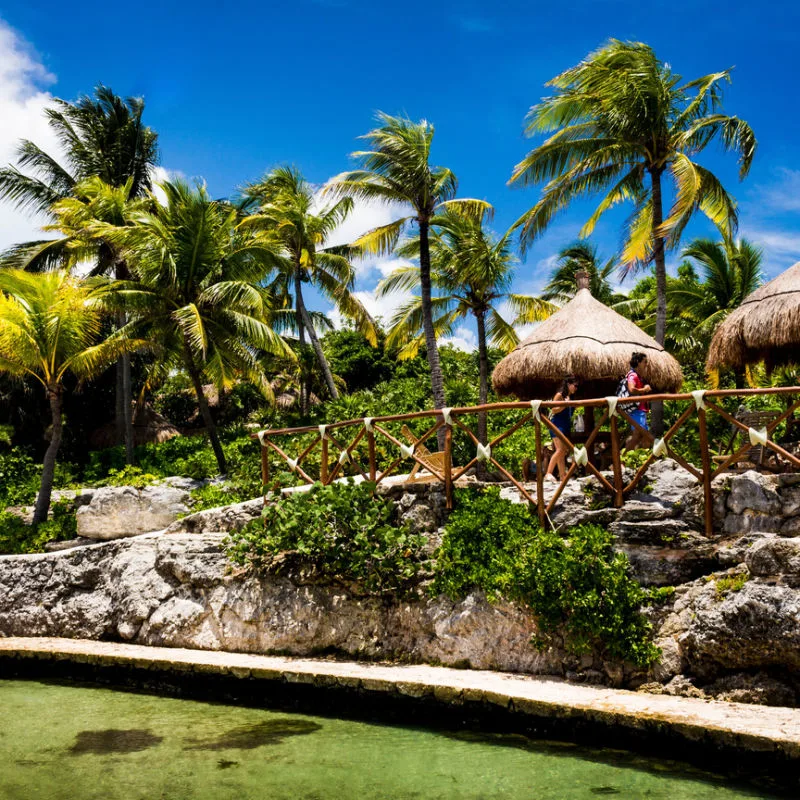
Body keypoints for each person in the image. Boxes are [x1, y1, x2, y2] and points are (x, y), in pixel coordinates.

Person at [545, 375, 580, 482]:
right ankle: (548, 473)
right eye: (575, 385)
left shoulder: (570, 397)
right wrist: (565, 405)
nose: (576, 388)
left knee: (563, 451)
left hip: (565, 426)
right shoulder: (559, 395)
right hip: (557, 425)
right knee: (560, 450)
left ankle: (562, 476)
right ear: (569, 385)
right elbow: (553, 410)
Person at [624, 352, 652, 451]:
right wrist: (644, 390)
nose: (646, 364)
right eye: (645, 362)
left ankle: (644, 461)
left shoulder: (638, 376)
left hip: (640, 410)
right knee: (638, 436)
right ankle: (620, 461)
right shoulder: (633, 375)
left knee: (645, 438)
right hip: (637, 410)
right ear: (638, 362)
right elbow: (631, 389)